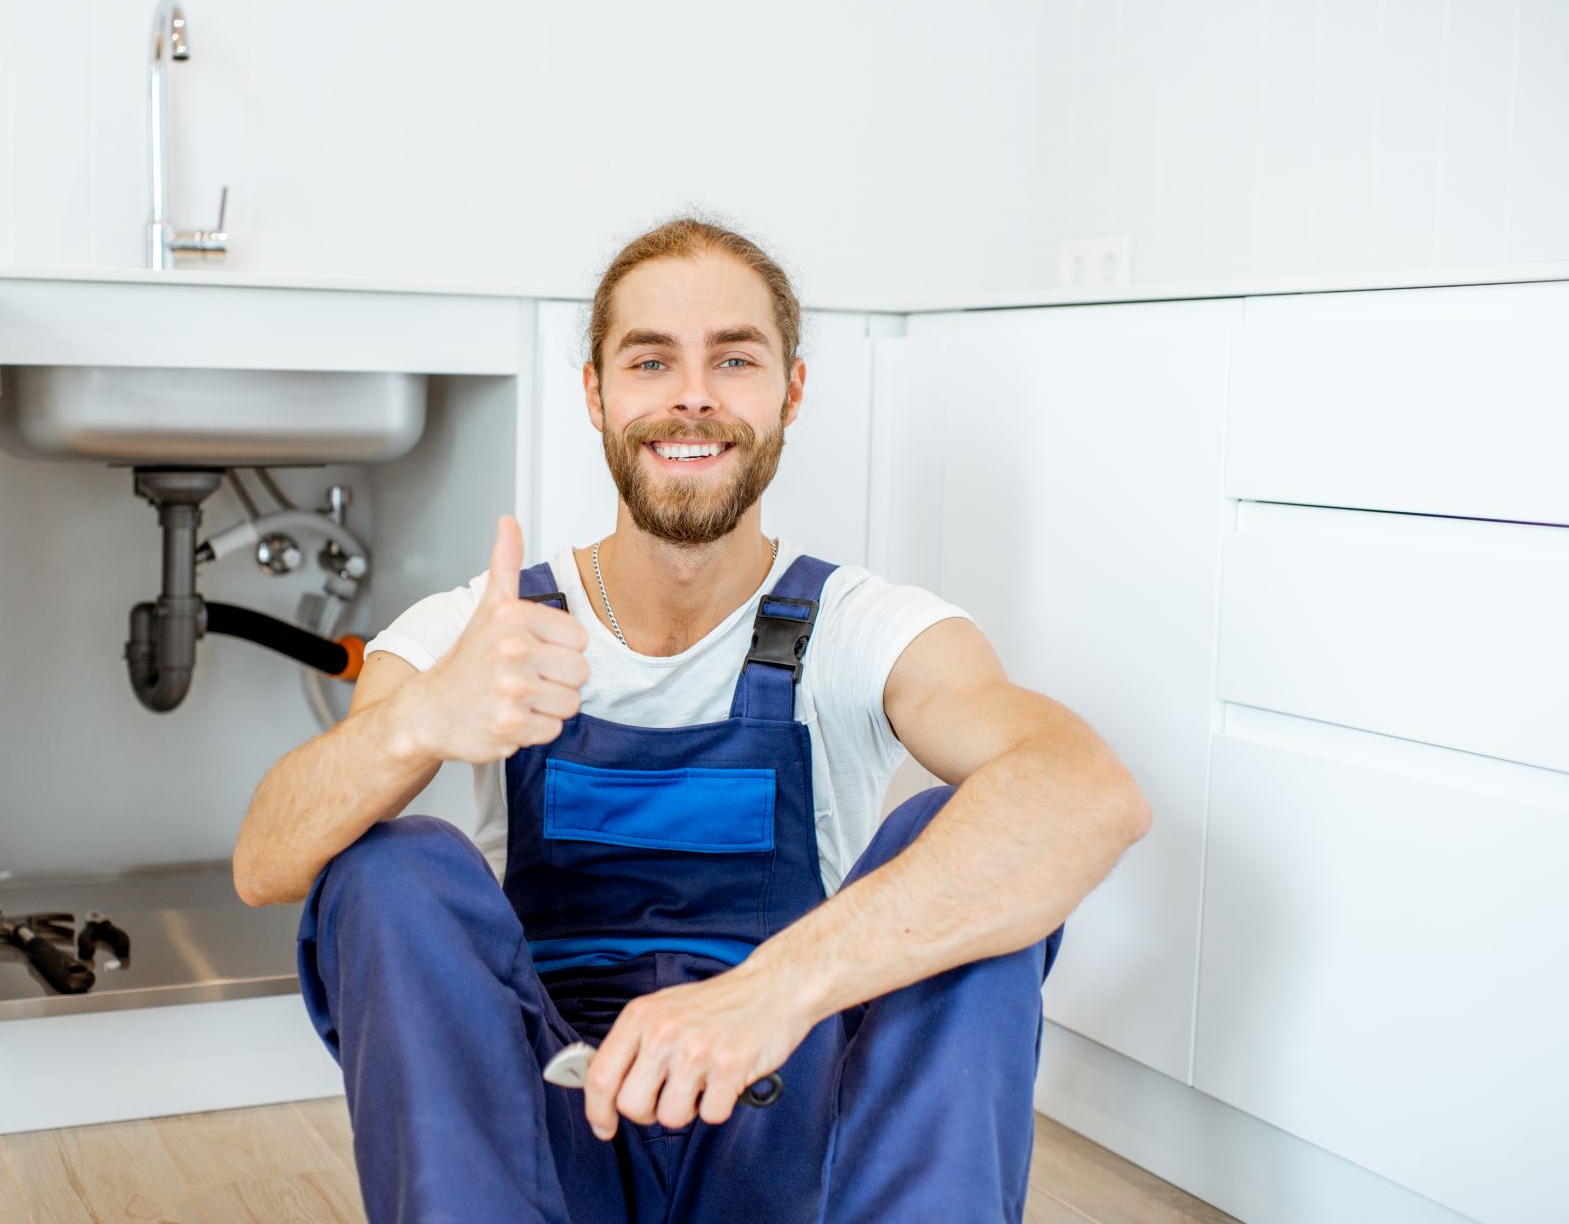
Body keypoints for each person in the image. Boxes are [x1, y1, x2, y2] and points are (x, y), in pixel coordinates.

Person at [232, 215, 1152, 1223]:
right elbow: (266, 862)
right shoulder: (478, 630)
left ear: (791, 392)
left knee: (975, 836)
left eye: (736, 359)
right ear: (595, 391)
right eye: (650, 360)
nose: (693, 394)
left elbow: (1086, 793)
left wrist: (768, 994)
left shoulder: (865, 628)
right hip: (544, 1141)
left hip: (790, 1129)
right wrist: (415, 724)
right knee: (387, 861)